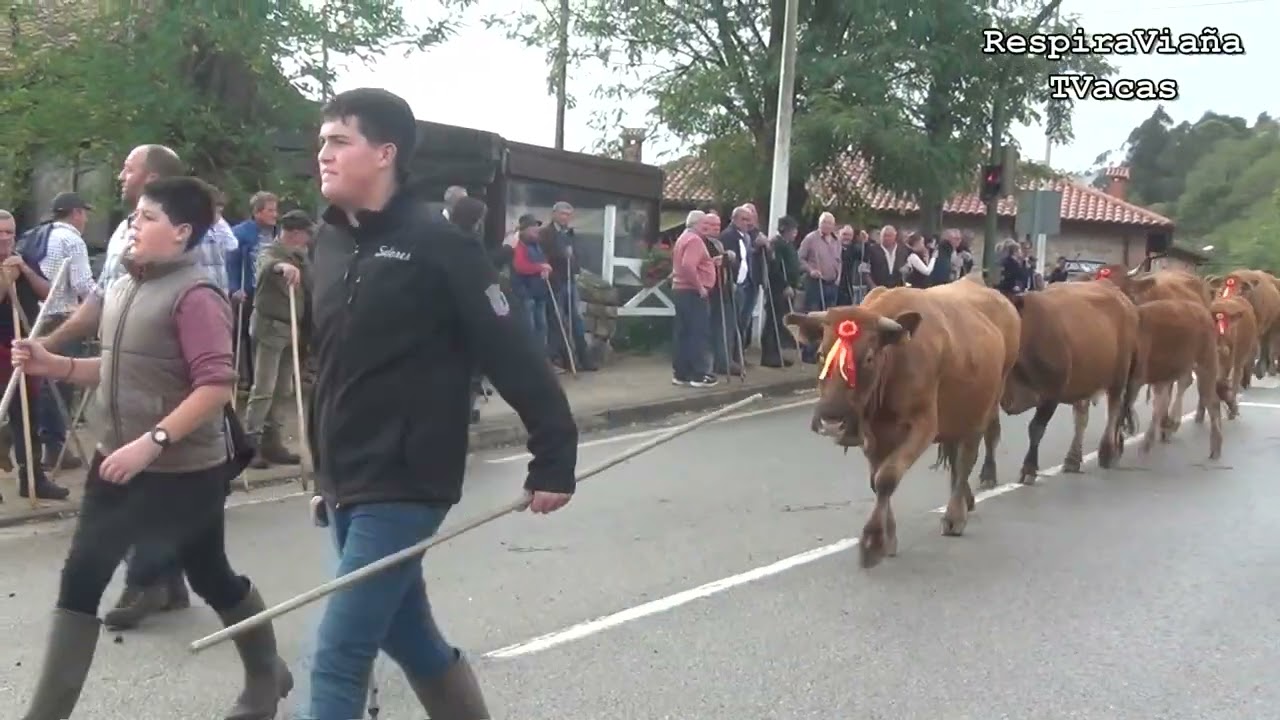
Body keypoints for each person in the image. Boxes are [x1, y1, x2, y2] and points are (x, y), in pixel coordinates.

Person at [307, 87, 578, 720]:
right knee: (409, 636)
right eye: (322, 141)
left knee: (339, 652)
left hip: (408, 474)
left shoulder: (439, 244)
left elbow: (511, 349)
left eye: (339, 141)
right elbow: (336, 368)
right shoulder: (329, 243)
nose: (323, 154)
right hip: (346, 474)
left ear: (385, 153)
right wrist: (324, 466)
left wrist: (554, 455)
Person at [12, 176, 292, 720]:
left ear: (181, 232)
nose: (133, 225)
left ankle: (265, 673)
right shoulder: (121, 286)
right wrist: (56, 364)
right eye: (134, 216)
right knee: (81, 577)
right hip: (115, 460)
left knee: (210, 574)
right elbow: (120, 371)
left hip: (185, 470)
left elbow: (215, 386)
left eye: (147, 217)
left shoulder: (197, 298)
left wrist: (153, 441)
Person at [0, 209, 67, 501]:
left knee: (27, 415)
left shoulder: (23, 258)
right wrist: (6, 278)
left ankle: (33, 479)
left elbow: (47, 293)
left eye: (9, 233)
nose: (5, 238)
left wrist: (24, 271)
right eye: (0, 233)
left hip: (22, 347)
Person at [243, 209, 312, 469]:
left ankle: (274, 441)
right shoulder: (271, 251)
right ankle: (251, 443)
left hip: (292, 328)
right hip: (270, 328)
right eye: (305, 233)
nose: (307, 239)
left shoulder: (302, 257)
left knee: (284, 388)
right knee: (263, 388)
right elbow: (265, 264)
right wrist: (281, 267)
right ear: (294, 234)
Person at [670, 210, 718, 388]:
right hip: (692, 291)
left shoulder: (683, 237)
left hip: (681, 290)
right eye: (704, 224)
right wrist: (700, 287)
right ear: (697, 223)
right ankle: (698, 374)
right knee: (697, 332)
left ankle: (681, 373)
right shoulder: (695, 240)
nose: (706, 227)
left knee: (683, 333)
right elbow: (688, 265)